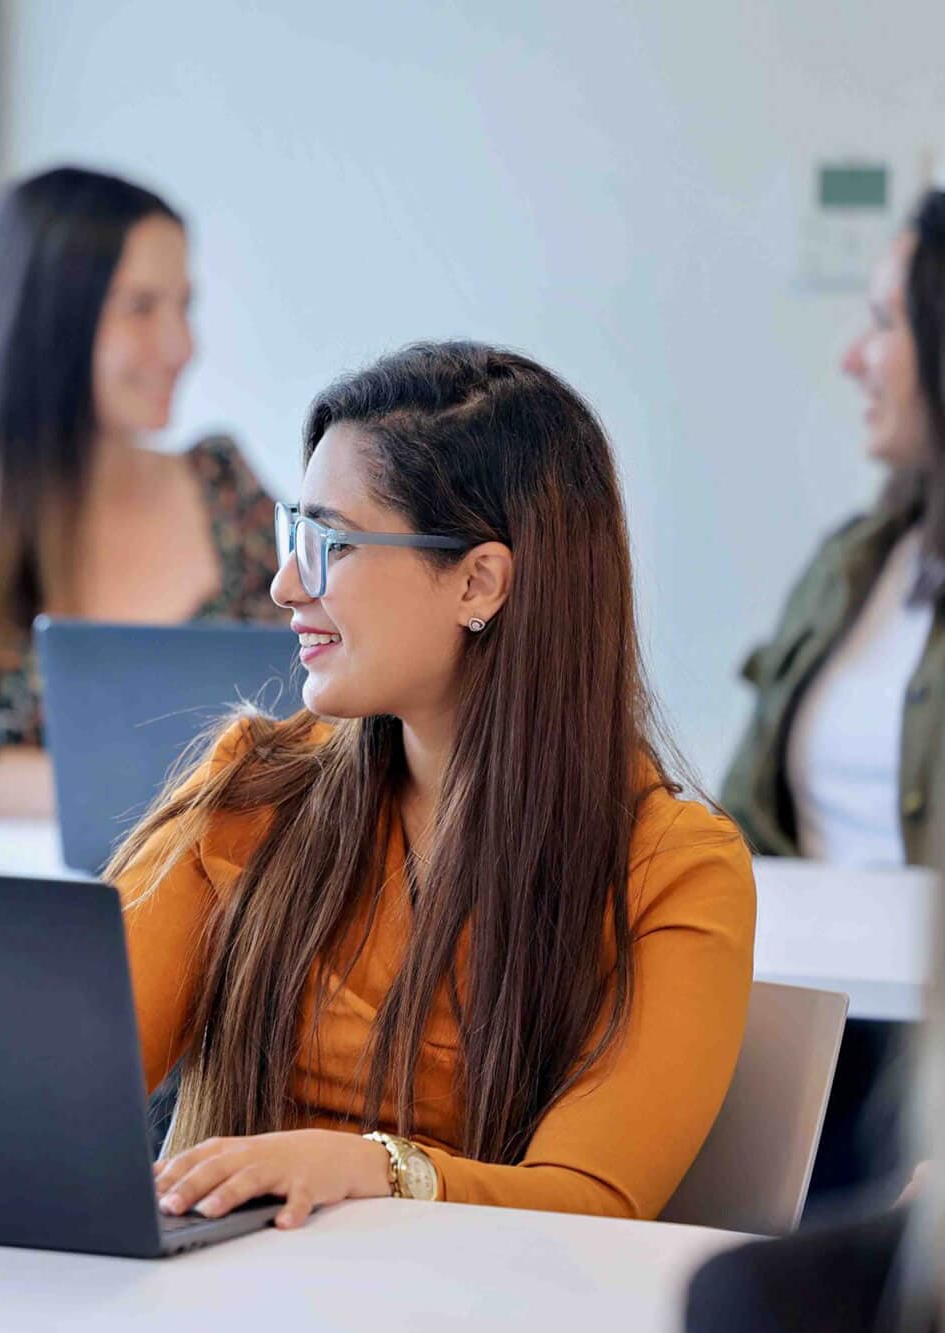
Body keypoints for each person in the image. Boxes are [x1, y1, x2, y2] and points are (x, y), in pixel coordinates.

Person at [112, 342, 755, 1229]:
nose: (285, 582)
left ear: (479, 581)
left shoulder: (673, 867)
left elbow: (593, 1199)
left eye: (329, 542)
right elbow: (62, 1077)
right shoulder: (251, 791)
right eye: (292, 531)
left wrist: (369, 1166)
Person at [0, 166, 282, 817]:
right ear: (45, 322)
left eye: (185, 305)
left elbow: (329, 713)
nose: (182, 345)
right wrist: (154, 795)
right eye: (141, 307)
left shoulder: (226, 495)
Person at [721, 190, 945, 1209]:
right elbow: (737, 825)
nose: (855, 359)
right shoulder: (854, 562)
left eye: (883, 322)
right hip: (808, 1044)